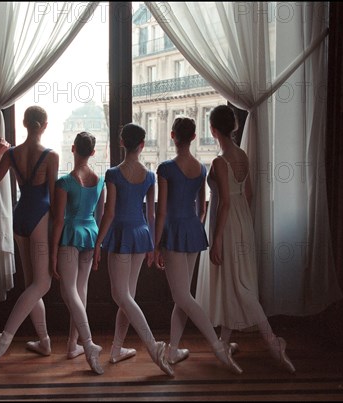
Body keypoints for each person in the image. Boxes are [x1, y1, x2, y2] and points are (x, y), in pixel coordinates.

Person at [195, 104, 296, 374]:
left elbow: (224, 202)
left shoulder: (219, 161)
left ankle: (272, 342)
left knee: (240, 286)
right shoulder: (242, 156)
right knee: (237, 281)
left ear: (213, 130)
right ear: (234, 127)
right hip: (242, 223)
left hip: (226, 225)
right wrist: (241, 224)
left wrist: (216, 239)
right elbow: (247, 195)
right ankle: (224, 343)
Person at [153, 117, 242, 374]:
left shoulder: (166, 168)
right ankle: (173, 351)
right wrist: (194, 225)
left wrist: (157, 243)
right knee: (182, 297)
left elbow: (161, 212)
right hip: (192, 229)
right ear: (193, 137)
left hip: (174, 230)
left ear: (172, 136)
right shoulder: (200, 168)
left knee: (181, 296)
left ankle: (217, 347)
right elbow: (202, 206)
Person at [92, 123, 174, 377]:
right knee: (127, 296)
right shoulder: (149, 176)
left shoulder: (113, 173)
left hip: (121, 233)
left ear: (121, 143)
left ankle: (153, 345)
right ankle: (116, 349)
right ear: (142, 145)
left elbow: (110, 212)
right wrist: (152, 243)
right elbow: (151, 213)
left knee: (122, 296)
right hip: (140, 234)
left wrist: (98, 243)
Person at [0, 105, 59, 368]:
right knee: (42, 284)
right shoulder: (50, 156)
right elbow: (54, 198)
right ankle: (4, 339)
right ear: (45, 125)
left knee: (31, 286)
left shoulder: (13, 154)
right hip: (39, 218)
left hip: (20, 217)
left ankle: (44, 341)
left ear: (25, 124)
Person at [50, 131, 106, 375]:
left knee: (68, 290)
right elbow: (101, 216)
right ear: (92, 152)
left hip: (71, 235)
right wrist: (99, 246)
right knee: (79, 291)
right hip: (91, 234)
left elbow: (59, 220)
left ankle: (88, 343)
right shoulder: (100, 180)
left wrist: (52, 253)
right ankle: (73, 346)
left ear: (73, 149)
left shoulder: (64, 182)